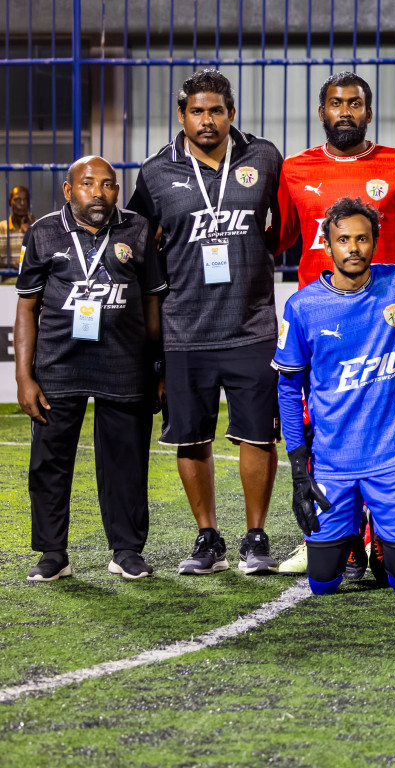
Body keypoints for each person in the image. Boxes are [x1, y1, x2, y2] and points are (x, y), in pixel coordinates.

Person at [128, 69, 284, 576]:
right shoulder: (155, 174)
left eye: (216, 110)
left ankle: (256, 536)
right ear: (182, 116)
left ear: (231, 113)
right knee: (192, 437)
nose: (207, 120)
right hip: (184, 330)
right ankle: (207, 536)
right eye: (196, 111)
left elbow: (283, 229)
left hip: (252, 323)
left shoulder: (264, 158)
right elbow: (139, 248)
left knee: (258, 436)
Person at [17, 157, 167, 582]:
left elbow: (153, 302)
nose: (98, 193)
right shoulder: (44, 231)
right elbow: (26, 307)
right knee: (49, 462)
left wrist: (159, 367)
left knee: (127, 461)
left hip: (125, 366)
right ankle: (53, 553)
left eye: (108, 185)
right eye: (87, 185)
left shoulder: (137, 230)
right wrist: (23, 377)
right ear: (68, 191)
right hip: (58, 367)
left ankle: (126, 550)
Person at [275, 197, 395, 595]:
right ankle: (354, 538)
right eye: (344, 240)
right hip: (331, 464)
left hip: (392, 460)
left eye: (362, 239)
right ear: (326, 245)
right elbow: (288, 389)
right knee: (323, 583)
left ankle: (382, 540)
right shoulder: (302, 306)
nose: (354, 248)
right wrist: (297, 469)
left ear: (375, 243)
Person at [275, 72, 395, 288]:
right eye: (336, 104)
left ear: (369, 113)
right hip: (317, 302)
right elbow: (281, 237)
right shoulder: (294, 168)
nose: (345, 113)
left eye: (355, 104)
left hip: (383, 302)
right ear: (321, 112)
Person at [2, 183, 33, 271]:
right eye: (17, 200)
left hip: (31, 282)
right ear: (10, 202)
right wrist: (10, 266)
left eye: (25, 200)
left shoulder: (37, 226)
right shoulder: (2, 228)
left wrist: (30, 232)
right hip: (7, 283)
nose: (22, 203)